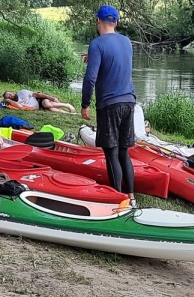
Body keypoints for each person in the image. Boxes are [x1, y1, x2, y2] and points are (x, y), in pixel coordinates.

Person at [81, 5, 137, 206]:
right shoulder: (127, 42)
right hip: (129, 102)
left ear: (98, 21)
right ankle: (131, 197)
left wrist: (85, 104)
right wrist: (94, 58)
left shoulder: (96, 44)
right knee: (124, 151)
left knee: (111, 152)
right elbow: (117, 62)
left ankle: (117, 199)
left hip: (109, 105)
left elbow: (90, 79)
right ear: (116, 22)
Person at [2, 89, 76, 114]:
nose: (10, 96)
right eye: (8, 97)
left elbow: (36, 94)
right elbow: (20, 107)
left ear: (12, 92)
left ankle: (67, 105)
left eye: (9, 94)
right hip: (39, 107)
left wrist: (50, 97)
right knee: (52, 110)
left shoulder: (22, 92)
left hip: (39, 100)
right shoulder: (15, 104)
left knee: (46, 104)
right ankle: (70, 113)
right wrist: (7, 100)